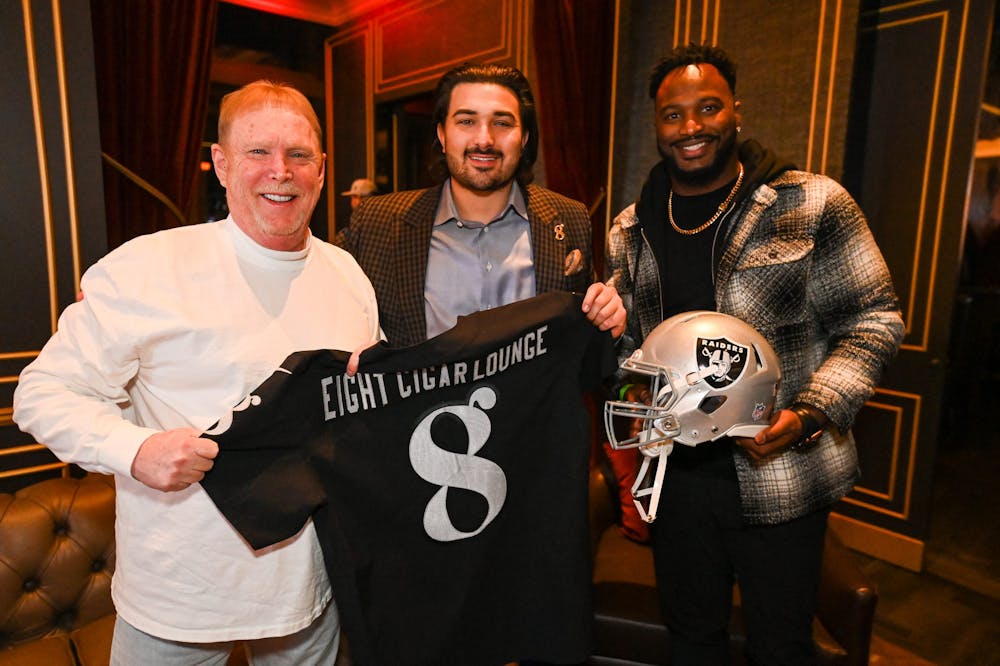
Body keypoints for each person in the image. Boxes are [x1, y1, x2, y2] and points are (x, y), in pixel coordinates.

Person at [12, 80, 380, 665]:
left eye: (299, 154)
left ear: (322, 169)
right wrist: (137, 449)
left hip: (312, 594)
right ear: (221, 163)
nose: (279, 171)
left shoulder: (347, 274)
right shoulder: (148, 267)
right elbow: (41, 392)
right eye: (258, 152)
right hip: (178, 600)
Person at [606, 43, 905, 664]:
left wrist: (812, 413)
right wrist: (618, 358)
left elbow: (875, 318)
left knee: (780, 647)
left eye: (708, 107)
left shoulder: (812, 203)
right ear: (656, 125)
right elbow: (632, 350)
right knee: (691, 641)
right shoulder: (630, 228)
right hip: (677, 480)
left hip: (781, 474)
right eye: (672, 114)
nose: (691, 127)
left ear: (735, 111)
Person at [336, 62, 625, 346]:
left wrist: (606, 320)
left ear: (524, 138)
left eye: (502, 123)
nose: (484, 140)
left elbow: (578, 340)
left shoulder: (569, 217)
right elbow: (323, 296)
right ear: (442, 135)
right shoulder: (377, 222)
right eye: (466, 121)